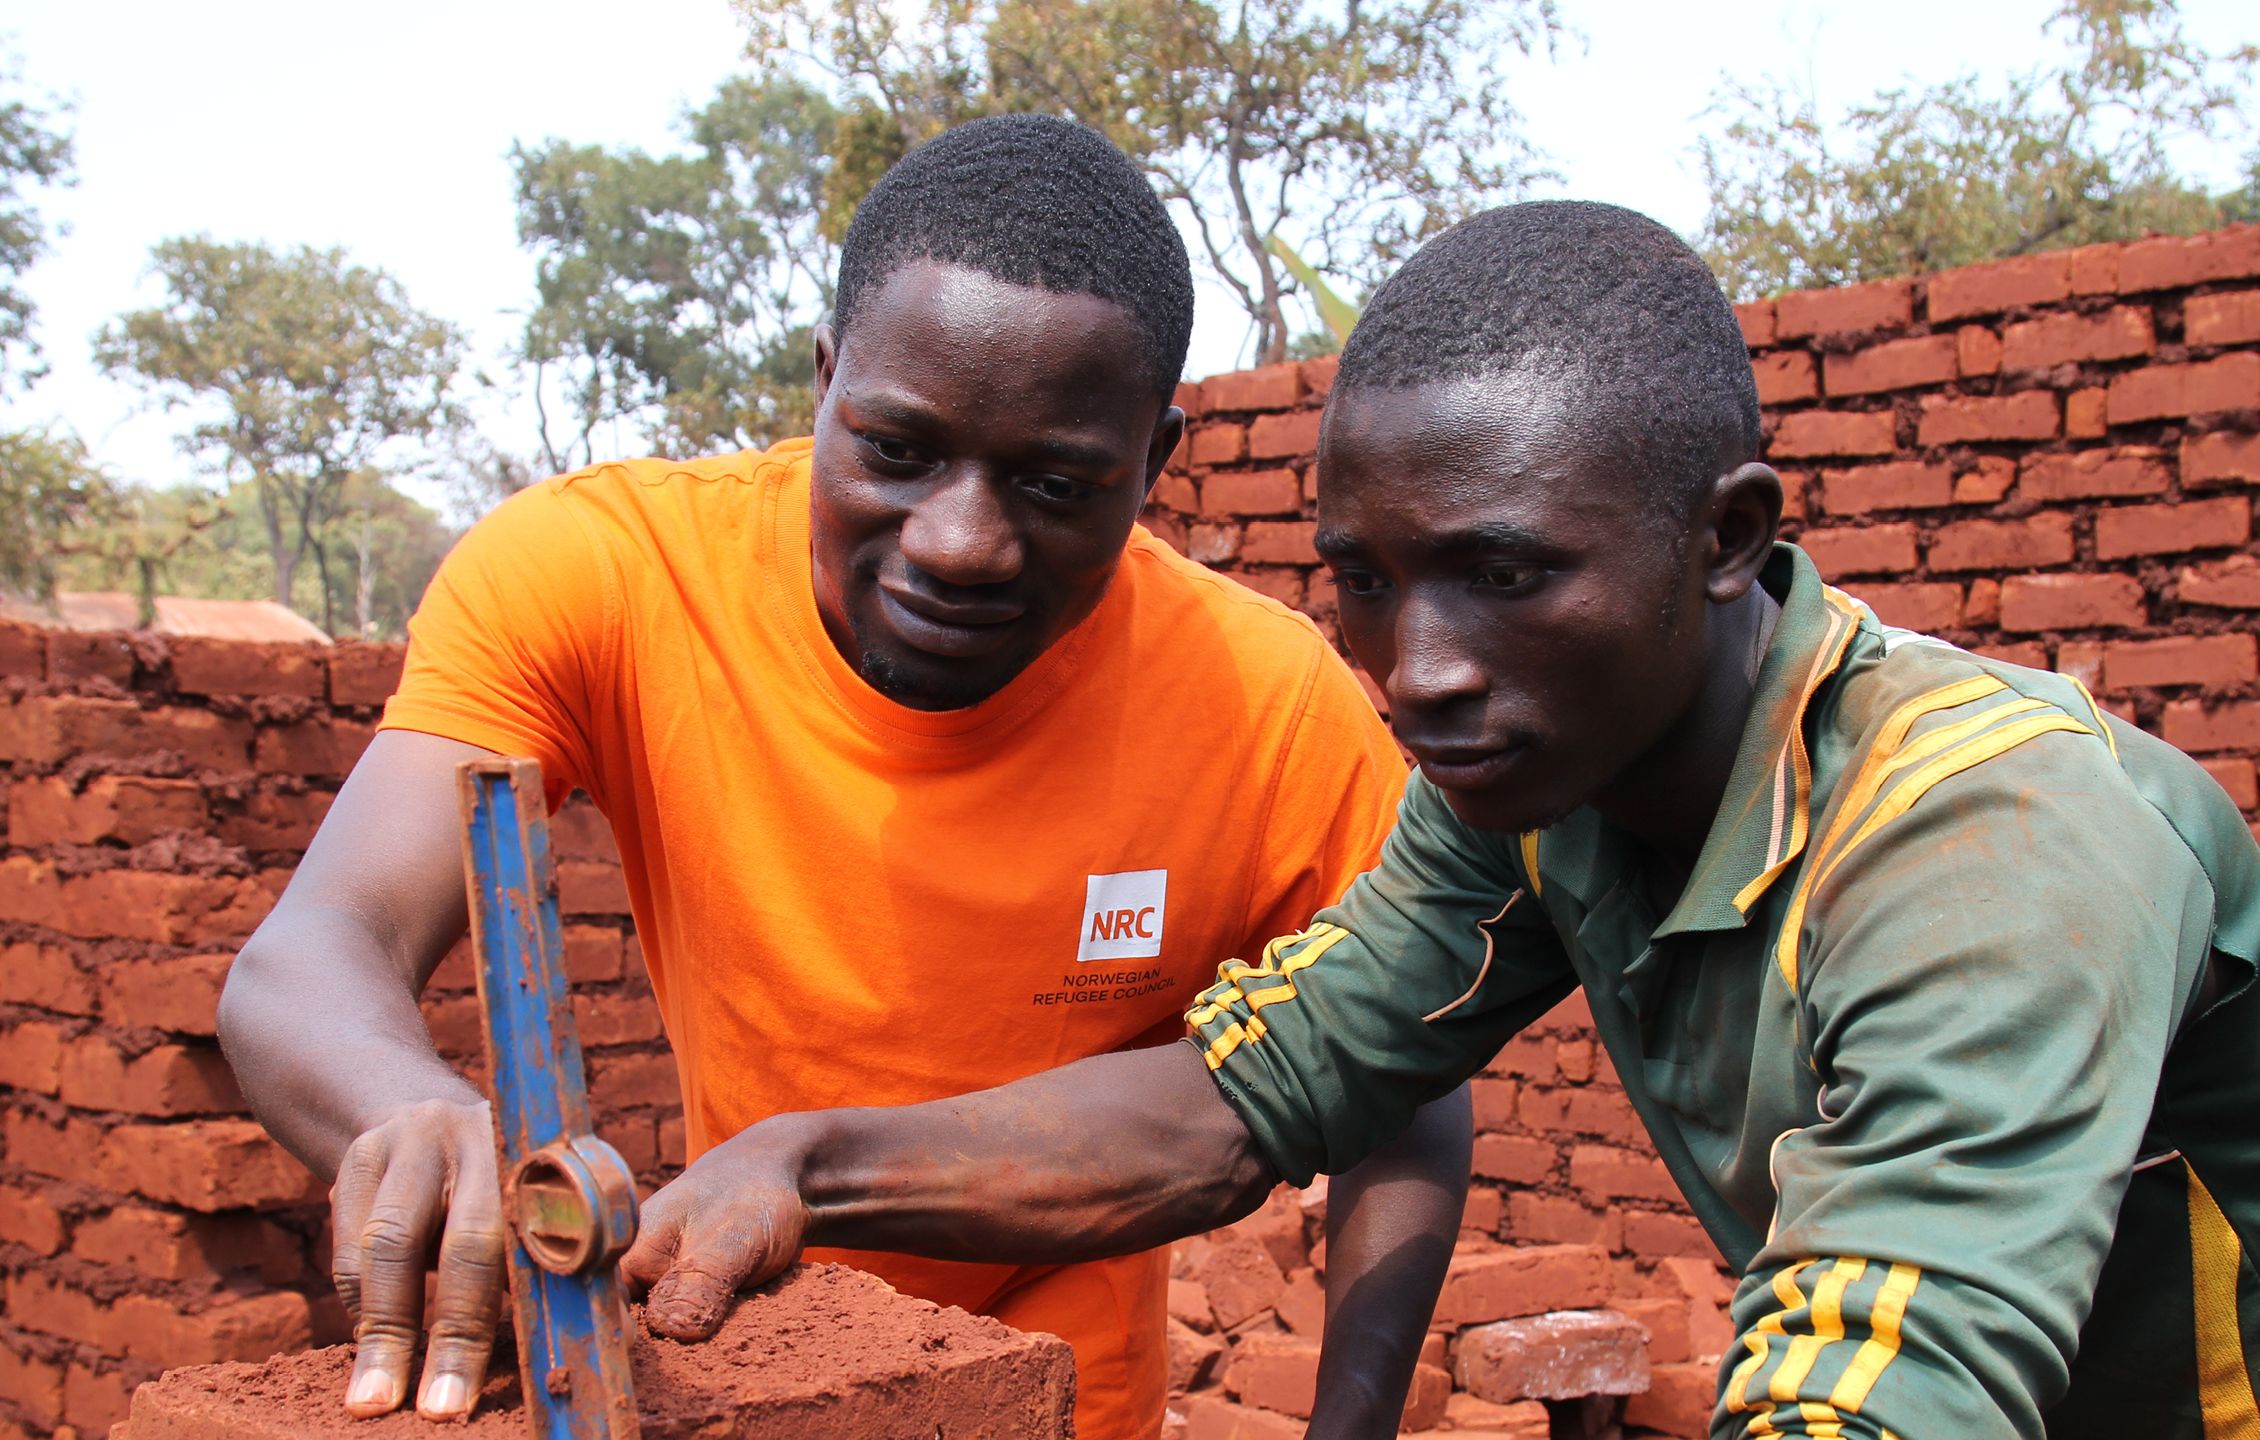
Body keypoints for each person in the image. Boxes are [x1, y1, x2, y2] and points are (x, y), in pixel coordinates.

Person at [627, 200, 2260, 1438]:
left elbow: (1886, 1389)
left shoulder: (1991, 848)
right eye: (1364, 581)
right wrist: (801, 1167)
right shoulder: (1541, 786)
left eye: (1505, 573)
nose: (1418, 669)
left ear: (1726, 538)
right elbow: (1243, 1101)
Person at [216, 114, 1472, 1440]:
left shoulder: (1265, 708)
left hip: (1065, 1408)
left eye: (1055, 484)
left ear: (1152, 462)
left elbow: (1407, 1082)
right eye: (898, 450)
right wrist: (409, 1110)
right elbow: (313, 950)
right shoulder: (610, 580)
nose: (962, 544)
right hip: (738, 1371)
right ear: (825, 381)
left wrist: (1353, 1426)